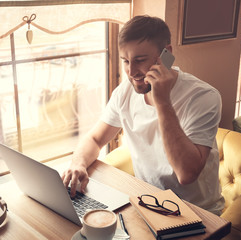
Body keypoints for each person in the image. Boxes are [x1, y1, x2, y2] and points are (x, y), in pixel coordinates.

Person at [62, 15, 225, 215]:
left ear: (166, 54)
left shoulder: (203, 97)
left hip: (197, 213)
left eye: (140, 60)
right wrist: (78, 164)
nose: (131, 71)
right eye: (125, 61)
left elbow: (186, 173)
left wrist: (163, 101)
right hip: (147, 203)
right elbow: (95, 139)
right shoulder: (124, 93)